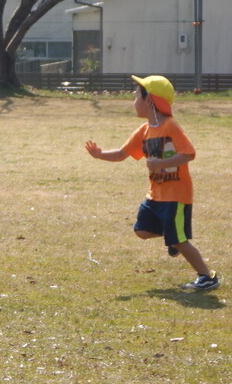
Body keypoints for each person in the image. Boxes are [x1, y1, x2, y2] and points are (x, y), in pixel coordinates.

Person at [84, 75, 219, 291]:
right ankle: (172, 238)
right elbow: (122, 153)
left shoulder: (170, 126)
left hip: (176, 195)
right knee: (142, 230)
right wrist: (100, 155)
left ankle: (207, 277)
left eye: (136, 96)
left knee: (180, 239)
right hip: (155, 194)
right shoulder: (144, 131)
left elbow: (188, 153)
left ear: (149, 100)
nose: (134, 101)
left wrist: (161, 163)